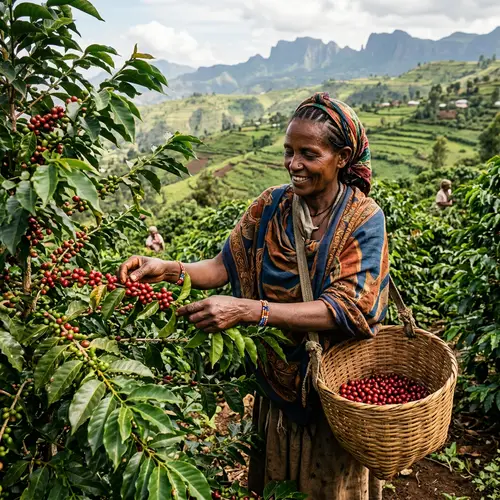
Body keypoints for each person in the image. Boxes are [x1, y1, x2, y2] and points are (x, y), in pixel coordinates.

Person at [118, 92, 389, 500]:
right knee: (278, 481)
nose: (294, 164)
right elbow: (222, 266)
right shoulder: (271, 205)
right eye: (288, 152)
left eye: (308, 154)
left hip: (334, 392)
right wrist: (169, 269)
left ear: (343, 156)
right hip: (278, 381)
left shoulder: (363, 219)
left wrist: (249, 310)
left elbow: (348, 308)